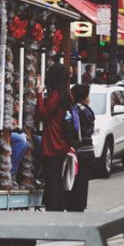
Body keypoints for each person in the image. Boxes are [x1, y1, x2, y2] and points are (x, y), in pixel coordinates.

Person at [36, 63, 80, 212]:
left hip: (52, 143)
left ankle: (53, 210)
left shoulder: (56, 96)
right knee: (57, 180)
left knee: (52, 180)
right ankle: (59, 209)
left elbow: (43, 113)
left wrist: (39, 94)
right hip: (62, 142)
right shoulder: (67, 94)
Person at [67, 83, 96, 212]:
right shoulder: (88, 111)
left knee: (74, 182)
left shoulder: (75, 110)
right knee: (83, 184)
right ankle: (80, 208)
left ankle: (74, 208)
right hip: (90, 151)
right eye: (88, 96)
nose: (89, 99)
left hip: (79, 152)